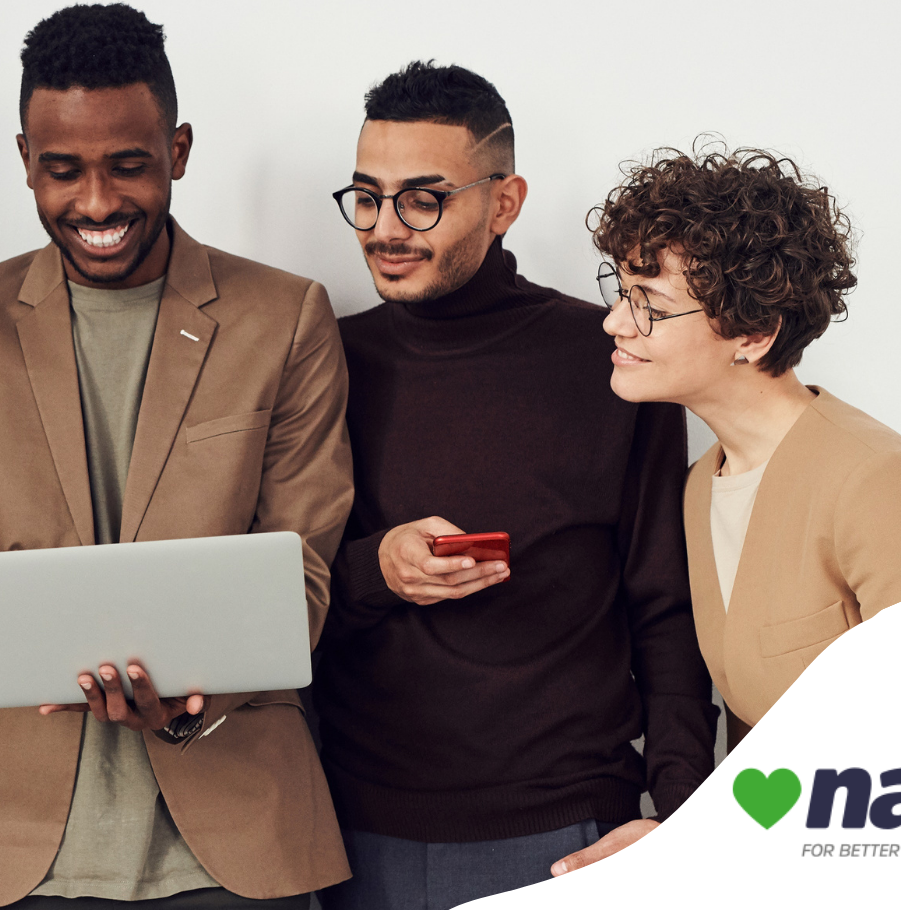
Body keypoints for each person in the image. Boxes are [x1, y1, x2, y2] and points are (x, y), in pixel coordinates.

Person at [0, 5, 354, 908]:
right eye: (62, 171)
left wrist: (195, 683)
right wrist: (56, 630)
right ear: (24, 162)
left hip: (235, 839)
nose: (94, 203)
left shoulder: (284, 317)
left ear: (178, 149)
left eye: (127, 165)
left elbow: (303, 572)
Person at [313, 62, 718, 908]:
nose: (386, 227)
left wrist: (682, 817)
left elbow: (665, 604)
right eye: (366, 196)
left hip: (566, 834)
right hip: (350, 830)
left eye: (423, 198)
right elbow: (269, 586)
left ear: (502, 202)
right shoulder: (322, 358)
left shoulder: (608, 357)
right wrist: (373, 571)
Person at [590, 145, 901, 746]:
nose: (616, 323)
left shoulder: (876, 481)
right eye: (624, 293)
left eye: (651, 305)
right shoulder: (702, 483)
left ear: (753, 335)